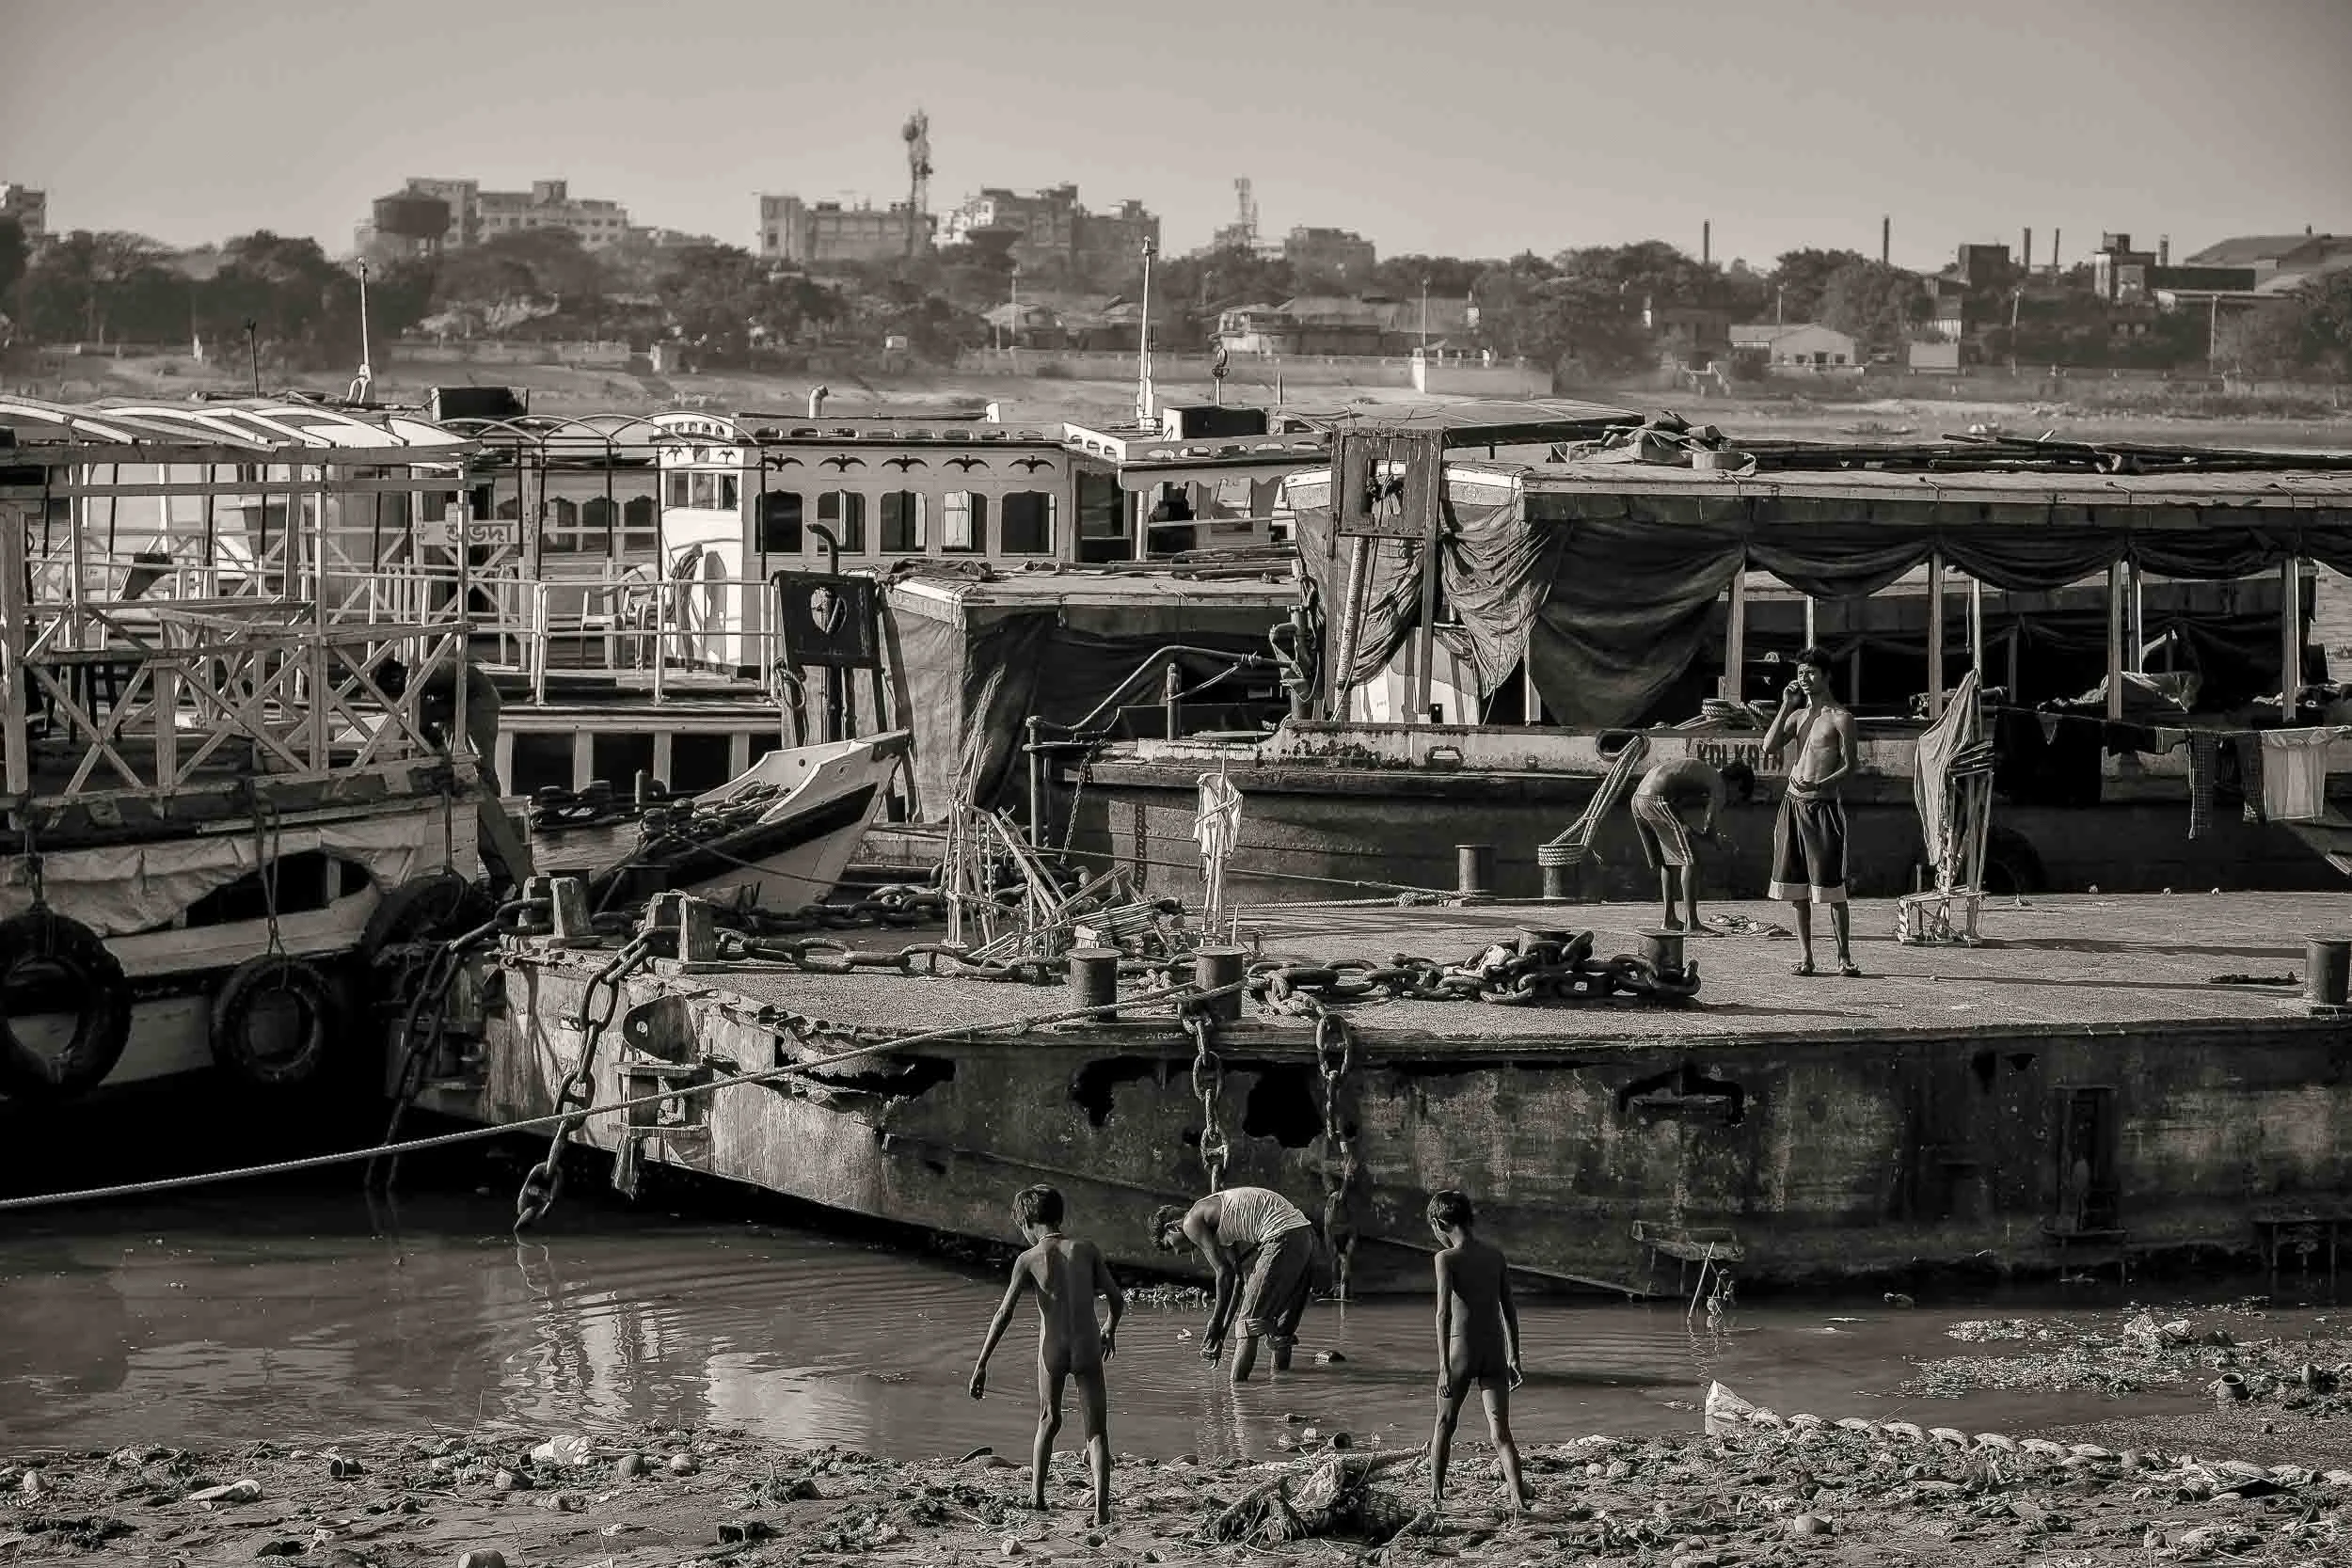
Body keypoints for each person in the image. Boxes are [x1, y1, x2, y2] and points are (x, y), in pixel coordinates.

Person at [968, 1185, 1125, 1524]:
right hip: (1087, 1347)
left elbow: (1004, 1314)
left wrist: (981, 1364)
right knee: (1096, 1431)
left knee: (1048, 1419)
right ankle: (1101, 1510)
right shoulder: (1086, 1249)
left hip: (1052, 1349)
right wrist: (1109, 1328)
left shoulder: (1028, 1259)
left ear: (1027, 1221)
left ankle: (1038, 1498)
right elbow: (1116, 1298)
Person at [1757, 645, 1860, 976]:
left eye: (1811, 672)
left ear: (1826, 676)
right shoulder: (1798, 716)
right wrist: (1786, 704)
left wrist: (1820, 785)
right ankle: (1806, 957)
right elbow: (1768, 746)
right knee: (1796, 887)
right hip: (1792, 804)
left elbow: (1850, 766)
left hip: (1824, 807)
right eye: (1800, 672)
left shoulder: (1841, 718)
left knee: (1831, 887)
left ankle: (1843, 957)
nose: (1804, 677)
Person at [1425, 1190, 1529, 1516]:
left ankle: (1436, 1496)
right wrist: (1515, 1357)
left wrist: (1443, 1366)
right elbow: (1509, 1311)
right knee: (1501, 1432)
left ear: (1440, 1223)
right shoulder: (1495, 1256)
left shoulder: (1446, 1259)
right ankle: (1517, 1499)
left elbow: (1443, 1314)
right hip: (1495, 1353)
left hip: (1461, 1353)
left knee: (1444, 1422)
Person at [1150, 1186, 1317, 1383]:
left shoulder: (1190, 1222)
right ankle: (1282, 1389)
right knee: (1282, 1329)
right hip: (1306, 1236)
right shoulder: (1217, 1215)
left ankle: (1236, 1401)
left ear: (1172, 1227)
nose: (1177, 1252)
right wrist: (1221, 1331)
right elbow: (1236, 1279)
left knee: (1247, 1326)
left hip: (1281, 1236)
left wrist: (1214, 1322)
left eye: (1171, 1245)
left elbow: (1223, 1273)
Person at [1628, 756, 1729, 933]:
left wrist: (1706, 837)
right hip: (1655, 798)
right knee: (1691, 860)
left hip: (1638, 800)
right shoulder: (1718, 783)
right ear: (1736, 784)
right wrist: (1719, 842)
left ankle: (1669, 920)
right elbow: (1709, 824)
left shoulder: (1701, 772)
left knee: (1669, 859)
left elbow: (1685, 829)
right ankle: (1693, 924)